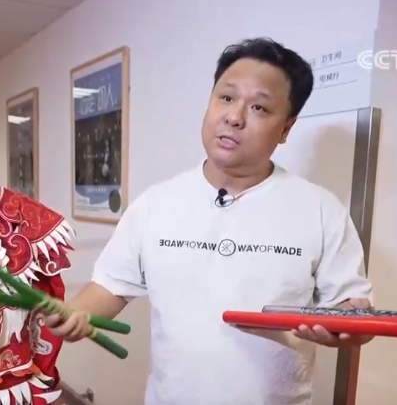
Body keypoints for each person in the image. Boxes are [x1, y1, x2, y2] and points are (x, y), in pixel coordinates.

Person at [46, 38, 374, 405]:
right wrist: (72, 314)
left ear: (286, 128)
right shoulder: (156, 204)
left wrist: (348, 326)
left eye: (259, 107)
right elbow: (110, 288)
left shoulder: (321, 210)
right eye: (227, 97)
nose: (234, 117)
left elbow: (353, 314)